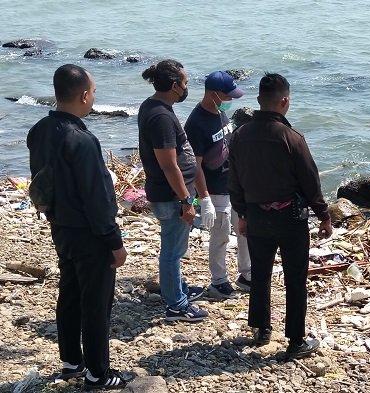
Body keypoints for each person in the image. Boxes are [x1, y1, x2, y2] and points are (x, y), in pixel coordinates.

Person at [27, 64, 130, 389]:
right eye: (94, 91)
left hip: (60, 227)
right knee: (96, 303)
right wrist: (114, 241)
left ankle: (72, 361)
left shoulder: (39, 131)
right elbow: (96, 198)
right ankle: (98, 373)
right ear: (84, 95)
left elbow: (41, 183)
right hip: (88, 233)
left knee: (70, 295)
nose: (94, 97)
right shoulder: (83, 140)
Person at [228, 73, 333, 359]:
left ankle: (261, 329)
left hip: (257, 217)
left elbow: (234, 180)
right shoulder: (292, 138)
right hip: (290, 218)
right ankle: (296, 341)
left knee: (260, 274)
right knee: (295, 278)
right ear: (285, 101)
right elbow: (310, 182)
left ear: (259, 100)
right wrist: (324, 215)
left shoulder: (240, 136)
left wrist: (242, 213)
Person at [138, 59, 212, 322]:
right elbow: (169, 165)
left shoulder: (155, 107)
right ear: (174, 85)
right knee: (173, 251)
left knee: (174, 247)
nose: (186, 87)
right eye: (185, 83)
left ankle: (176, 289)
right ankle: (176, 306)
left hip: (169, 194)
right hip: (171, 196)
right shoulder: (160, 117)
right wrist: (186, 200)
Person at [184, 70, 251, 297]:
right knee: (221, 234)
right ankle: (218, 280)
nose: (231, 101)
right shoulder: (196, 123)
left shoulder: (220, 114)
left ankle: (247, 274)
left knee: (244, 229)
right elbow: (196, 165)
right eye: (227, 96)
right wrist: (204, 198)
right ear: (213, 94)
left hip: (233, 184)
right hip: (214, 189)